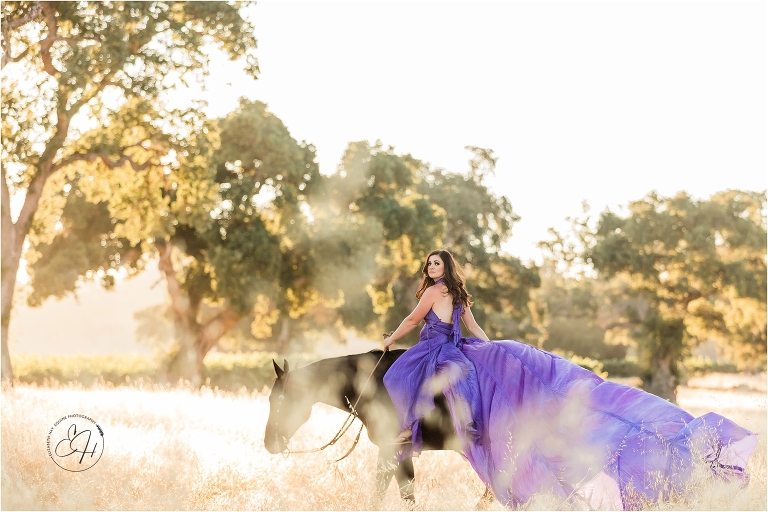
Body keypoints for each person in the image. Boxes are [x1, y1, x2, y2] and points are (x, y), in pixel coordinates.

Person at [382, 249, 757, 509]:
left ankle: (409, 430)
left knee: (400, 378)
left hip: (438, 350)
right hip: (463, 347)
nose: (431, 268)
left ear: (444, 268)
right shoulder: (458, 294)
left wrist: (390, 339)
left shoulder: (434, 292)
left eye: (436, 263)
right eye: (428, 264)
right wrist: (494, 350)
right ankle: (452, 424)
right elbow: (475, 328)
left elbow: (415, 321)